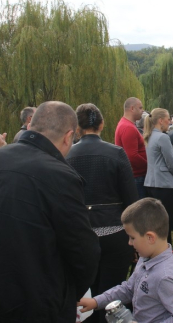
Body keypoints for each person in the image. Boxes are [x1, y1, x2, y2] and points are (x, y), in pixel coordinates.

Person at [0, 101, 100, 322]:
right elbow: (83, 251)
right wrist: (66, 295)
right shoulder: (61, 176)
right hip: (34, 304)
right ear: (68, 137)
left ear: (30, 127)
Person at [66, 103, 139, 323]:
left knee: (85, 294)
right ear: (102, 124)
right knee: (113, 293)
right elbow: (131, 198)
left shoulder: (66, 155)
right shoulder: (115, 153)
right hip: (115, 231)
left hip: (81, 234)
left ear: (78, 127)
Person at [77, 198, 173, 323]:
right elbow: (128, 289)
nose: (129, 243)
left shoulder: (166, 277)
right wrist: (96, 302)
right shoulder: (145, 259)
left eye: (132, 238)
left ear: (150, 237)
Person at [143, 108, 173, 247]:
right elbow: (171, 163)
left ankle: (157, 253)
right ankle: (166, 256)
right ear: (160, 121)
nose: (169, 122)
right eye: (167, 119)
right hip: (164, 185)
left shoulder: (149, 136)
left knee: (156, 223)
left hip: (151, 183)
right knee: (165, 223)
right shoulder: (162, 137)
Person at [115, 97, 148, 198]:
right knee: (141, 210)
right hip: (137, 176)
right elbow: (132, 156)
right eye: (140, 108)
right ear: (132, 109)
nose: (143, 110)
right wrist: (149, 165)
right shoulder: (128, 127)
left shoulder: (126, 124)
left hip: (135, 175)